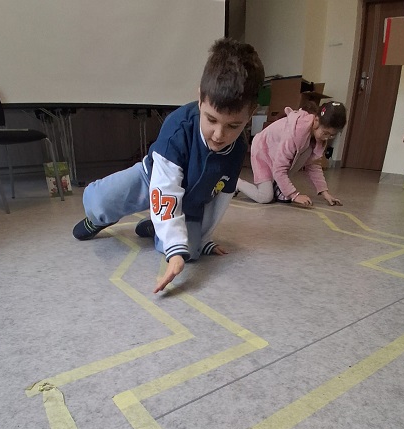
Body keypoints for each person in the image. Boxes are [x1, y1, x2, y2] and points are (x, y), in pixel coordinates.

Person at [72, 38, 264, 293]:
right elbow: (165, 189)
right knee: (100, 201)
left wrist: (204, 239)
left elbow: (220, 199)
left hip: (191, 202)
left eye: (233, 126)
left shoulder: (237, 150)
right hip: (151, 178)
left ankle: (156, 225)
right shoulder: (178, 126)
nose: (219, 135)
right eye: (211, 120)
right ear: (200, 98)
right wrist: (174, 249)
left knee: (189, 252)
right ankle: (99, 219)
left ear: (251, 113)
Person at [236, 101, 347, 207]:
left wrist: (325, 192)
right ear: (316, 121)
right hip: (262, 150)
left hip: (276, 152)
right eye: (326, 133)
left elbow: (313, 164)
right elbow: (279, 168)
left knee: (307, 152)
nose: (327, 138)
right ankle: (237, 183)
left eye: (332, 135)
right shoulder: (295, 133)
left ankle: (279, 186)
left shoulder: (317, 138)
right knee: (265, 197)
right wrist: (294, 195)